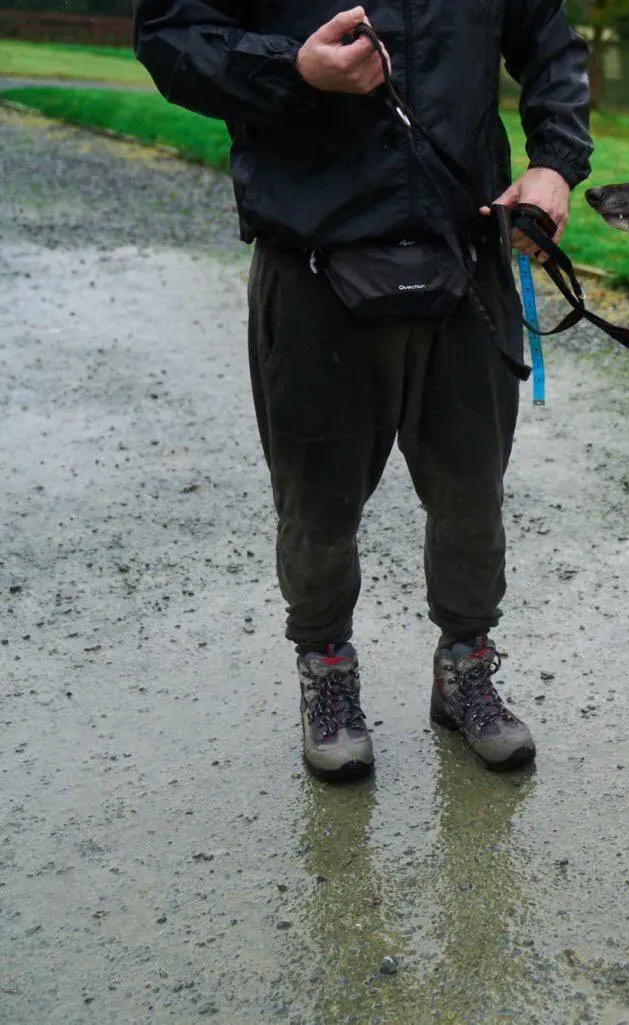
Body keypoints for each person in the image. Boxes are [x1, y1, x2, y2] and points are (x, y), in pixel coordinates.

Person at [133, 0, 592, 780]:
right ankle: (326, 673)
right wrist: (293, 70)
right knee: (317, 501)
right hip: (313, 254)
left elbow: (552, 47)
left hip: (463, 249)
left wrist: (554, 162)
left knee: (472, 488)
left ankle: (466, 668)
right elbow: (171, 37)